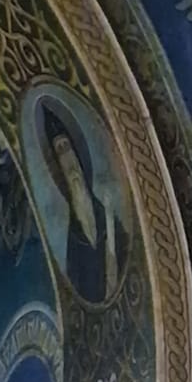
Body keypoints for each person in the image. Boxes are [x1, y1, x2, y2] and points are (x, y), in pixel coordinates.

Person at [42, 106, 128, 305]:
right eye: (59, 151)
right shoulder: (74, 239)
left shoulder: (104, 212)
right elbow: (78, 293)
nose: (67, 157)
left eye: (67, 147)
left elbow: (126, 252)